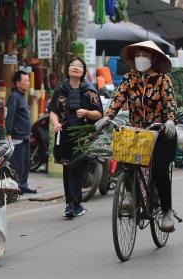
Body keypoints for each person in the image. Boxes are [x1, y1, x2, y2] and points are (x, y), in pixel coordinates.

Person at [95, 40, 177, 232]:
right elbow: (117, 99)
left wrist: (171, 120)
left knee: (160, 171)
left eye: (145, 55)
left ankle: (167, 211)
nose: (141, 59)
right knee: (126, 162)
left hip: (161, 132)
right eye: (138, 55)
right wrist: (106, 117)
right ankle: (130, 196)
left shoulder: (162, 80)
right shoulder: (129, 79)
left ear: (153, 58)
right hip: (138, 133)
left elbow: (170, 102)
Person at [48, 56, 103, 219]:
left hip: (83, 136)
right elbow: (53, 111)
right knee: (67, 169)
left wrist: (86, 113)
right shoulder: (60, 90)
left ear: (83, 71)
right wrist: (55, 123)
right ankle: (70, 205)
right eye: (73, 65)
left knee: (77, 168)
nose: (75, 68)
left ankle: (75, 204)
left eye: (79, 66)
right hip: (64, 135)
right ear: (68, 69)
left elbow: (99, 113)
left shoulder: (90, 90)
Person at [5, 70, 36, 194]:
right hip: (17, 136)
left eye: (29, 80)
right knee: (16, 164)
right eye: (26, 81)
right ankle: (15, 186)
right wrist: (8, 133)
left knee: (25, 164)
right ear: (18, 83)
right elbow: (10, 115)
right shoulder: (14, 97)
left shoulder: (22, 96)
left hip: (25, 136)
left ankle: (23, 185)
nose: (28, 83)